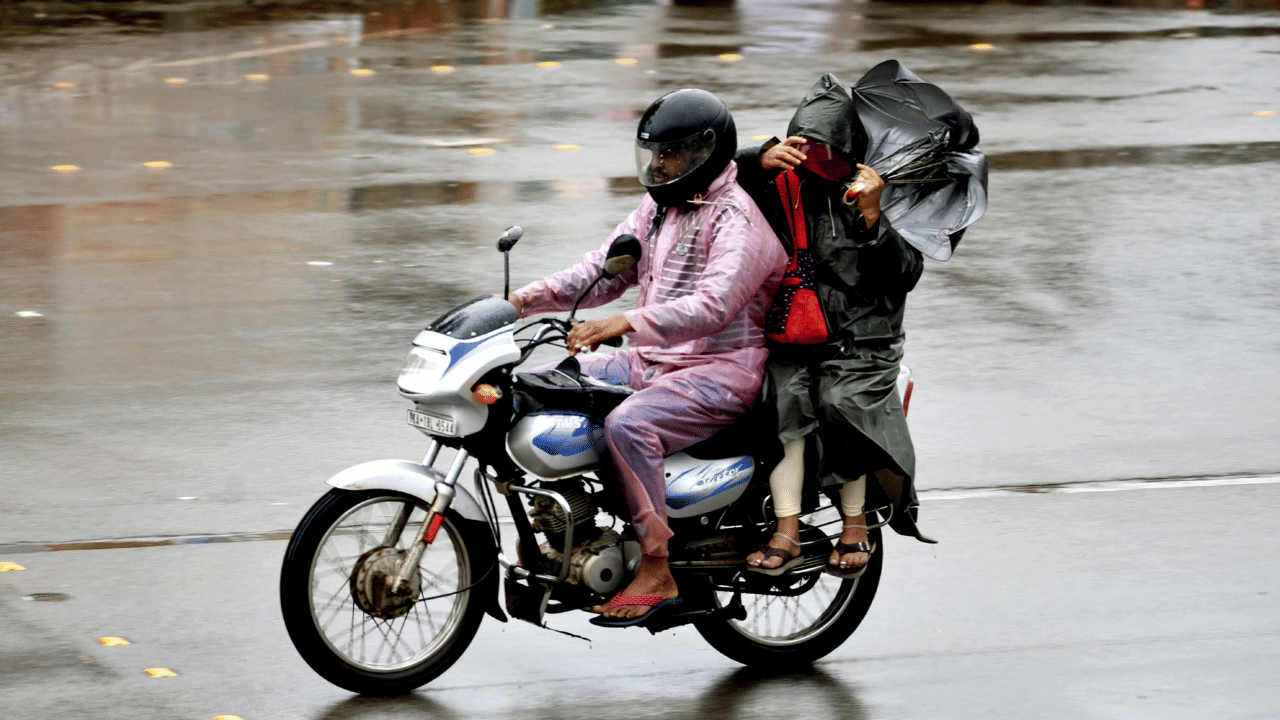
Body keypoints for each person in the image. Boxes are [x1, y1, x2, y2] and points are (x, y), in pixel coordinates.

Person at [507, 89, 787, 625]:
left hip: (720, 373)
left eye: (671, 153)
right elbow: (600, 272)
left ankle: (657, 564)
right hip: (654, 358)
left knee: (629, 424)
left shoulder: (737, 219)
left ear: (706, 152)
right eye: (653, 153)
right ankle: (564, 530)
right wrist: (519, 301)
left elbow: (713, 306)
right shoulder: (658, 207)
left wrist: (625, 322)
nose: (658, 166)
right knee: (540, 387)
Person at [734, 74, 934, 579]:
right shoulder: (776, 185)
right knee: (781, 402)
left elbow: (906, 274)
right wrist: (755, 157)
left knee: (840, 403)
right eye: (805, 146)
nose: (816, 157)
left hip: (864, 341)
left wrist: (873, 217)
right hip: (794, 334)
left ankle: (855, 524)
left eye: (828, 148)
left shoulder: (881, 189)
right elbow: (705, 183)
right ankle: (786, 530)